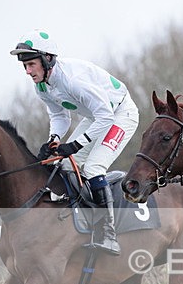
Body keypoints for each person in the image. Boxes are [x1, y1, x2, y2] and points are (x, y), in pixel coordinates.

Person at [10, 30, 139, 256]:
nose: (28, 71)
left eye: (31, 64)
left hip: (120, 115)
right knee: (65, 165)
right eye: (25, 66)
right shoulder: (42, 85)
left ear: (47, 59)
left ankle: (109, 234)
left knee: (93, 168)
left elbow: (106, 117)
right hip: (95, 117)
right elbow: (59, 116)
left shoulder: (72, 81)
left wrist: (76, 145)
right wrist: (54, 139)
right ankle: (80, 224)